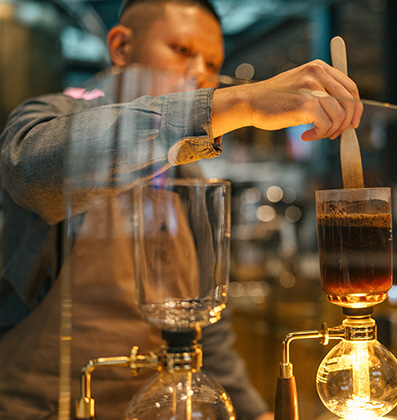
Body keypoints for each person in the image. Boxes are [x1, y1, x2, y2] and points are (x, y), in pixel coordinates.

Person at [0, 0, 362, 419]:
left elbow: (209, 336)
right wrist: (241, 103)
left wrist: (256, 413)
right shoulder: (50, 117)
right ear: (121, 48)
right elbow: (31, 171)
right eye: (182, 50)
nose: (200, 73)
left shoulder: (190, 182)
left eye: (212, 63)